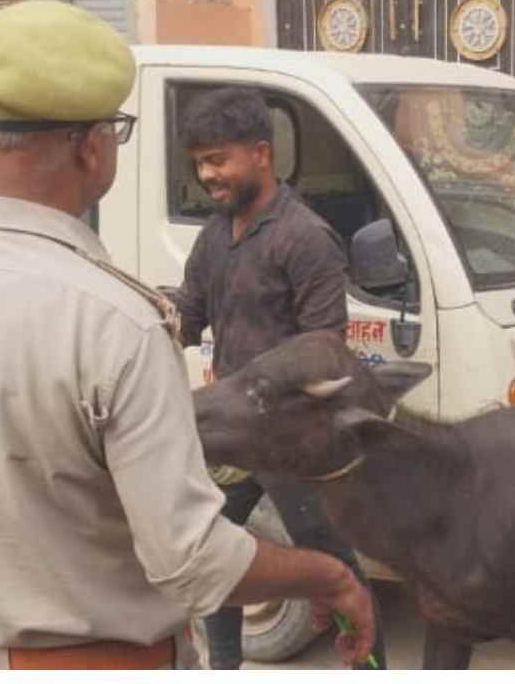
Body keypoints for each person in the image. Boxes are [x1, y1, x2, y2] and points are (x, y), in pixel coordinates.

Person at [0, 1, 373, 670]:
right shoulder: (120, 321)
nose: (208, 175)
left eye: (218, 160)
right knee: (272, 558)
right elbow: (194, 560)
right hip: (124, 652)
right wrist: (330, 580)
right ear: (92, 145)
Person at [169, 86, 387, 670]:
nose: (208, 175)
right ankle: (223, 669)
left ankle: (374, 669)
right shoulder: (214, 236)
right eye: (201, 163)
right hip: (231, 435)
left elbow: (324, 351)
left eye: (219, 160)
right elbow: (186, 317)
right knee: (215, 555)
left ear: (260, 154)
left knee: (336, 571)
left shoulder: (306, 238)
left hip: (292, 444)